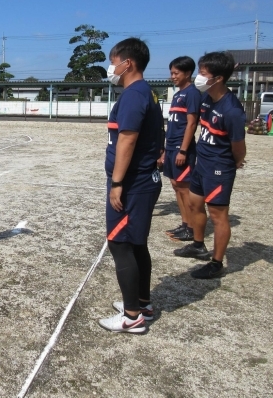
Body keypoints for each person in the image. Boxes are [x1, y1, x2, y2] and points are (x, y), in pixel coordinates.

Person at [98, 38, 163, 334]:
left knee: (120, 242)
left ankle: (132, 316)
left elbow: (128, 139)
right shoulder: (145, 93)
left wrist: (118, 183)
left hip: (133, 183)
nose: (112, 68)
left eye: (114, 61)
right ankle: (142, 303)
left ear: (128, 63)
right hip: (143, 181)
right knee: (136, 243)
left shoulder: (134, 95)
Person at [174, 52, 246, 278]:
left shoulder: (231, 110)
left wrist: (233, 163)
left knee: (218, 215)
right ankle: (198, 244)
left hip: (219, 167)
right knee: (195, 204)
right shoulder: (206, 98)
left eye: (203, 73)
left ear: (219, 78)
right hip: (201, 162)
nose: (199, 77)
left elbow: (238, 147)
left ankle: (216, 262)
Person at [160, 56, 201, 242]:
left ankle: (192, 227)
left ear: (187, 73)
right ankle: (185, 224)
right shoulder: (177, 95)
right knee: (176, 186)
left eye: (176, 73)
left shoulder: (192, 93)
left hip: (180, 148)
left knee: (185, 188)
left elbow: (192, 124)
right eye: (171, 73)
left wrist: (183, 150)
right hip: (171, 146)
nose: (173, 77)